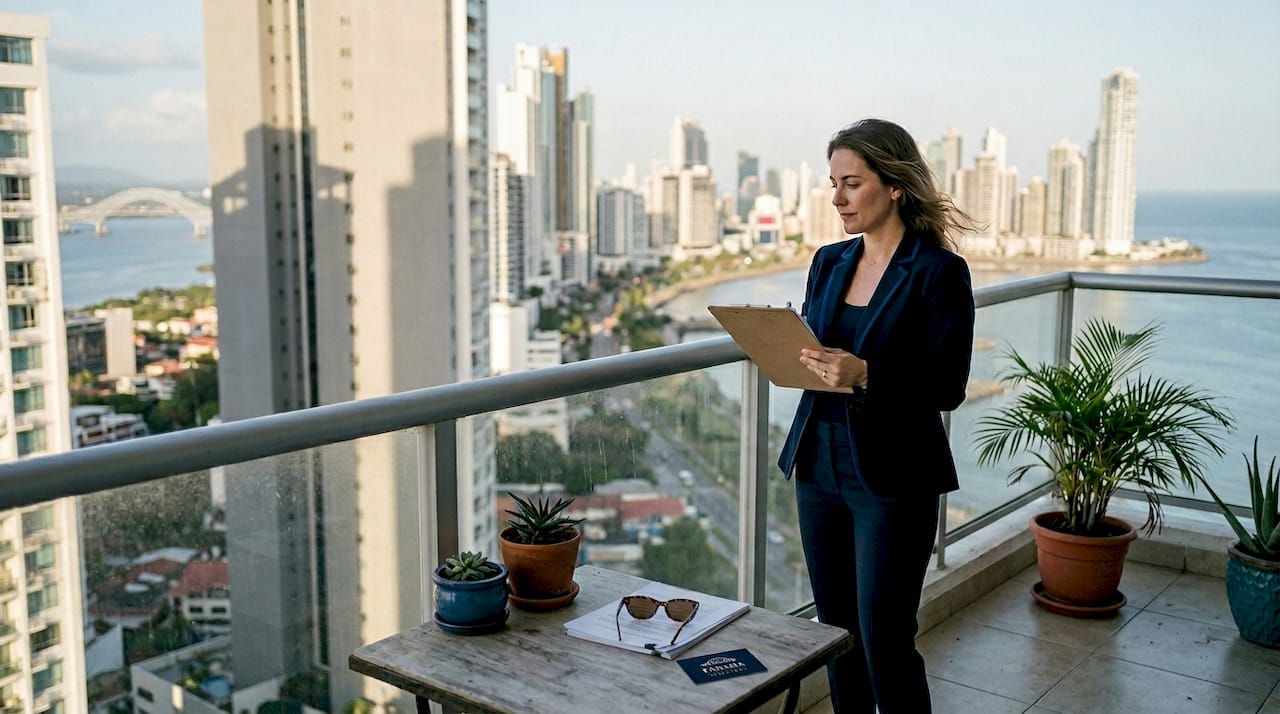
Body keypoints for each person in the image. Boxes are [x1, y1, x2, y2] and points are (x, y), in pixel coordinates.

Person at [777, 118, 976, 713]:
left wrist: (865, 373)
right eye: (833, 183)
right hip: (817, 464)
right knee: (838, 636)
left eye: (852, 183)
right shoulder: (827, 261)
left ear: (894, 186)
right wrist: (787, 350)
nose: (837, 198)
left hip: (894, 477)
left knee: (886, 640)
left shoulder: (939, 272)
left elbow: (948, 385)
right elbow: (817, 349)